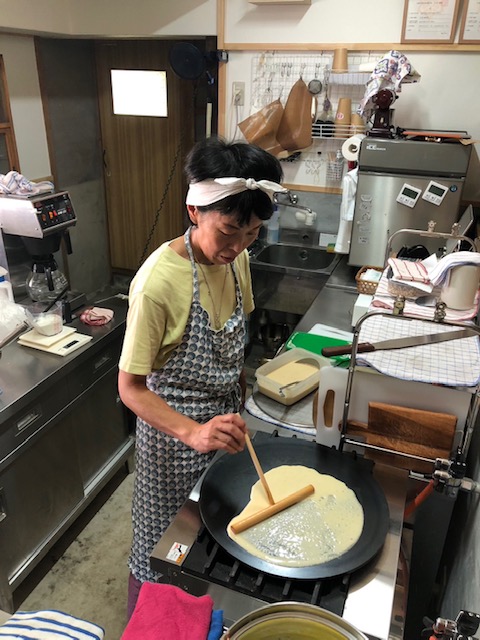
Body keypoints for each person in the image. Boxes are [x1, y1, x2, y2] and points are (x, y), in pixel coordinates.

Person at [118, 136, 285, 616]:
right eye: (228, 231)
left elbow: (235, 340)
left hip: (226, 428)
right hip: (172, 443)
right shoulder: (157, 283)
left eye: (252, 233)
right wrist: (193, 432)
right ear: (194, 211)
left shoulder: (238, 261)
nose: (238, 245)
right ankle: (147, 622)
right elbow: (130, 388)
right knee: (162, 548)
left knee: (213, 540)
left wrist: (240, 395)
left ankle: (201, 619)